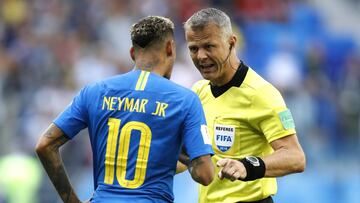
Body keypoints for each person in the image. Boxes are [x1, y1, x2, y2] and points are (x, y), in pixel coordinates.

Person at [35, 16, 215, 203]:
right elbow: (205, 175)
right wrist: (189, 159)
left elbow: (45, 145)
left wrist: (72, 201)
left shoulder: (95, 91)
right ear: (170, 48)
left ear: (132, 53)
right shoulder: (184, 100)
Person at [180, 8, 306, 203]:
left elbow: (295, 157)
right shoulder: (198, 91)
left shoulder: (261, 94)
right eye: (193, 48)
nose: (201, 56)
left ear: (231, 42)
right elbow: (194, 159)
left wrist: (247, 166)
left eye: (209, 46)